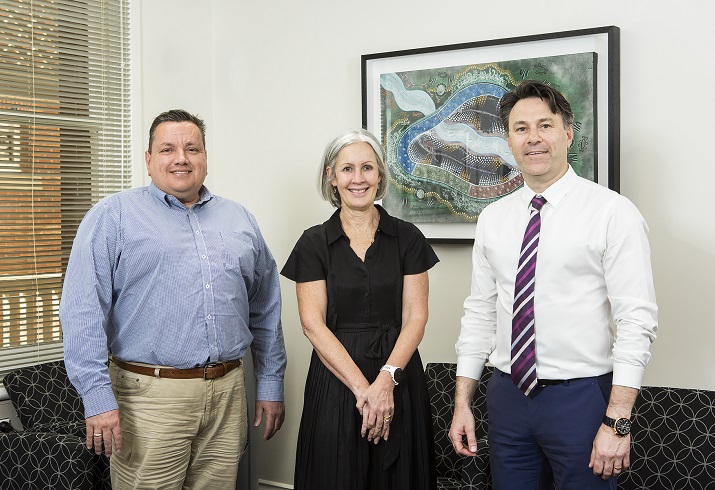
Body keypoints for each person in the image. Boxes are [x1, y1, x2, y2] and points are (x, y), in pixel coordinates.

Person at [59, 109, 287, 489]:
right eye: (167, 149)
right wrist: (97, 397)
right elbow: (82, 310)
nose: (181, 158)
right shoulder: (112, 217)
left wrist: (270, 384)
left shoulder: (240, 219)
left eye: (192, 148)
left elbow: (265, 308)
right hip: (147, 398)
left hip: (229, 393)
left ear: (205, 159)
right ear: (148, 160)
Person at [449, 81, 658, 489]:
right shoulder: (493, 217)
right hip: (507, 395)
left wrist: (617, 420)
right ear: (508, 140)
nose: (534, 139)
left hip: (580, 398)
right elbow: (480, 312)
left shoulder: (612, 213)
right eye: (521, 128)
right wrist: (463, 403)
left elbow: (637, 320)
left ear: (568, 132)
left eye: (545, 125)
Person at [281, 129, 438, 489]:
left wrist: (385, 381)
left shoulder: (408, 237)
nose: (358, 178)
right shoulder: (312, 243)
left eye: (367, 168)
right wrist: (363, 390)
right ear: (331, 177)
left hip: (398, 378)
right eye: (347, 169)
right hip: (336, 382)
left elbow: (416, 317)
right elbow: (312, 325)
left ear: (380, 175)